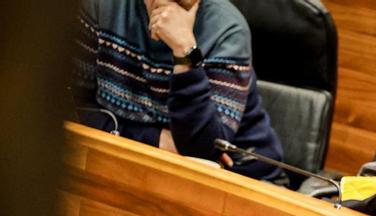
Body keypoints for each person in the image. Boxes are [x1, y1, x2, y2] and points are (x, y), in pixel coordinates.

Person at [71, 0, 286, 183]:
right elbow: (71, 106)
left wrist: (185, 52)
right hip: (129, 166)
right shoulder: (100, 6)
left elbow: (202, 152)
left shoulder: (228, 31)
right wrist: (156, 141)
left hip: (241, 180)